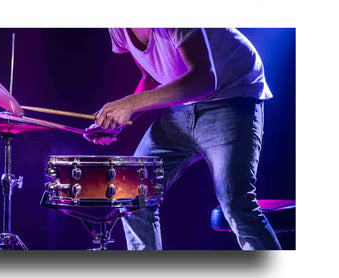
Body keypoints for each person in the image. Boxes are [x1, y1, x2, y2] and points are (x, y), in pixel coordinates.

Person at [84, 28, 282, 250]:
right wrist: (119, 121)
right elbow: (151, 76)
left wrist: (130, 104)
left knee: (237, 204)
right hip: (181, 107)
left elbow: (204, 79)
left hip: (230, 95)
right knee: (132, 192)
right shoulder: (118, 27)